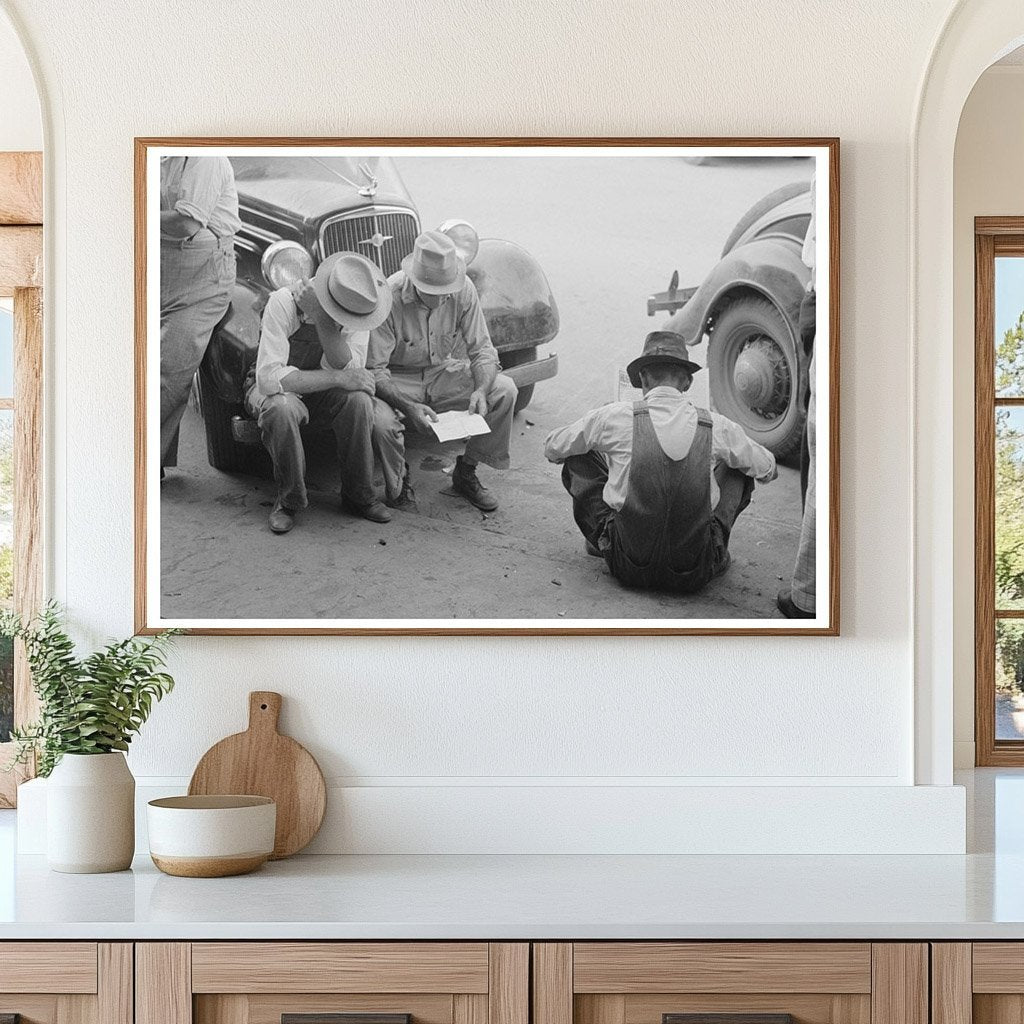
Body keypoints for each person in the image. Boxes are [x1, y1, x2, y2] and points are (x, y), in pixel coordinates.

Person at [544, 331, 777, 593]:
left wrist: (611, 453)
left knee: (579, 452)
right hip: (696, 570)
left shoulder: (613, 417)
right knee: (740, 466)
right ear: (687, 383)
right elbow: (767, 469)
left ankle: (602, 541)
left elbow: (553, 446)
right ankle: (717, 551)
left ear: (643, 380)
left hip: (626, 565)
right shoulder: (717, 426)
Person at [248, 251, 405, 534]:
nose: (348, 320)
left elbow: (351, 370)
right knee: (282, 408)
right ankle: (289, 500)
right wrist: (337, 376)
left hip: (315, 389)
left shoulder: (359, 307)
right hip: (271, 391)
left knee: (358, 401)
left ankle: (359, 495)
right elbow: (269, 379)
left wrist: (322, 319)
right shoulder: (283, 302)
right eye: (339, 313)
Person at [368, 230, 517, 512]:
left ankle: (466, 471)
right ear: (414, 280)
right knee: (381, 422)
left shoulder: (464, 288)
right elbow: (375, 371)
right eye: (433, 291)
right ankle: (399, 482)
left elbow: (483, 350)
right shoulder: (389, 296)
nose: (443, 297)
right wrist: (409, 406)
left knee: (505, 390)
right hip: (398, 377)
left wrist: (481, 390)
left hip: (440, 372)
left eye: (447, 289)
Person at [159, 155, 240, 470]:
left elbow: (186, 224)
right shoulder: (160, 152)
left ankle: (142, 470)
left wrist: (132, 211)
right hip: (163, 266)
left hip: (204, 276)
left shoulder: (205, 156)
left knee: (168, 373)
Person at [778, 176, 818, 619]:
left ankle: (807, 594)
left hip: (824, 297)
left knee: (819, 446)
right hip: (825, 297)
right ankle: (809, 591)